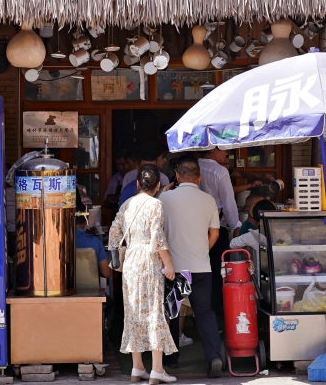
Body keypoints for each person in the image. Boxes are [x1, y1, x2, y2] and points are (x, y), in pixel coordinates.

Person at [109, 165, 177, 384]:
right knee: (155, 311)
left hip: (130, 260)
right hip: (149, 259)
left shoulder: (127, 204)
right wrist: (169, 266)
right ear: (158, 186)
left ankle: (137, 367)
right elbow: (158, 237)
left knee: (133, 313)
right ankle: (157, 369)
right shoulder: (156, 204)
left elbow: (113, 232)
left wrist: (117, 259)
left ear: (137, 184)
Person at [159, 158, 223, 377]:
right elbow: (215, 233)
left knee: (172, 313)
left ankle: (171, 359)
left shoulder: (165, 198)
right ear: (199, 178)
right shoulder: (208, 200)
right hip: (201, 266)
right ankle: (214, 357)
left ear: (177, 176)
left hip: (175, 268)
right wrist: (203, 250)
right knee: (205, 313)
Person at [197, 147, 240, 323]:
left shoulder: (192, 166)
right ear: (213, 149)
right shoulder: (219, 171)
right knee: (216, 274)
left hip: (193, 229)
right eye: (224, 151)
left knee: (194, 272)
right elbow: (228, 203)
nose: (226, 155)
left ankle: (195, 315)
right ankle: (214, 317)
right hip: (217, 228)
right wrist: (235, 225)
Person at [118, 142, 170, 206]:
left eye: (152, 168)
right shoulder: (128, 190)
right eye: (145, 168)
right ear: (137, 167)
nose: (149, 171)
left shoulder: (162, 189)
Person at [76, 197, 111, 279]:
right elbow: (106, 273)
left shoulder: (59, 240)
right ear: (86, 221)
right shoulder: (94, 241)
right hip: (91, 288)